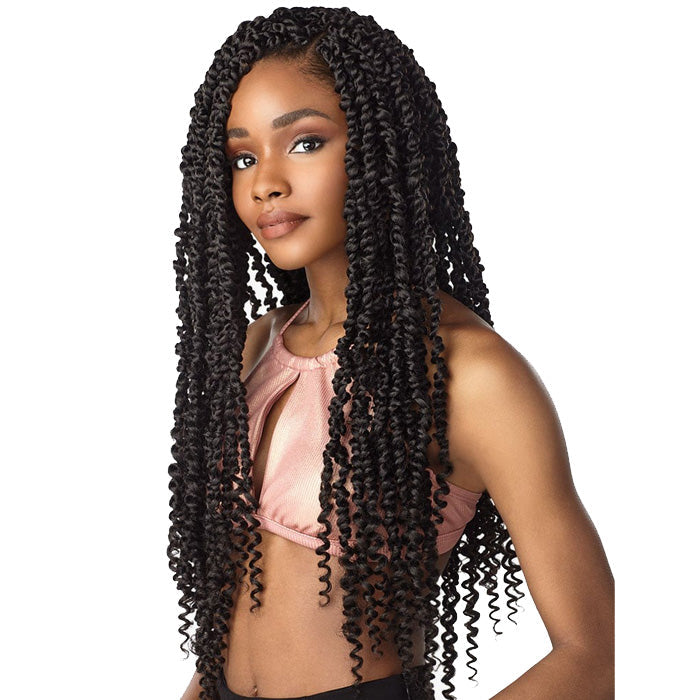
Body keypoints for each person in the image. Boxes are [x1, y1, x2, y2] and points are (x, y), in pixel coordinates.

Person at [169, 7, 614, 700]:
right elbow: (231, 606)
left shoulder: (471, 375)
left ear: (384, 150)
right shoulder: (260, 343)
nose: (265, 183)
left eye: (305, 143)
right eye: (243, 157)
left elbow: (593, 656)